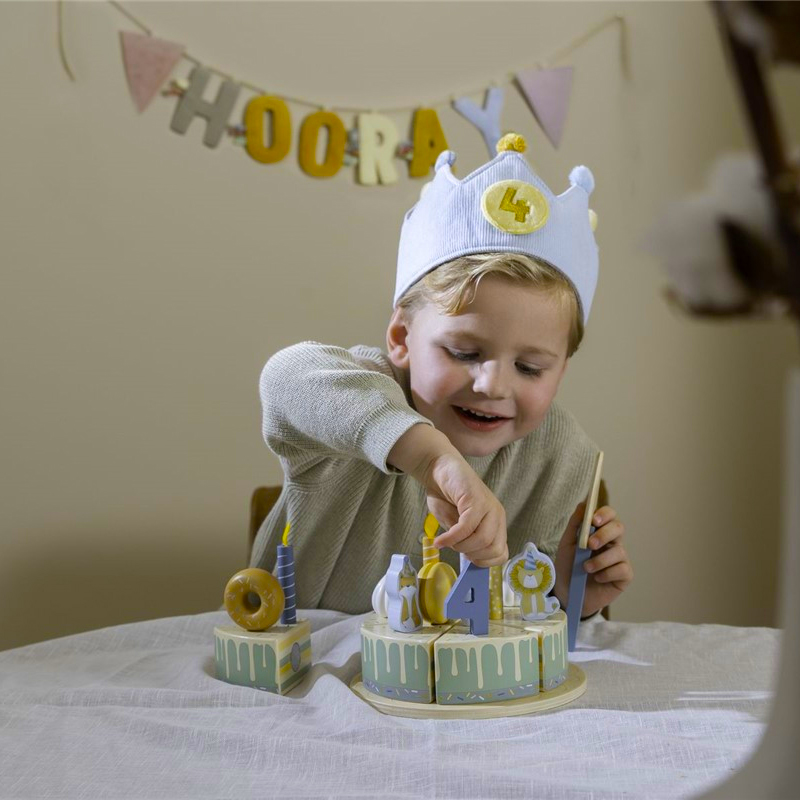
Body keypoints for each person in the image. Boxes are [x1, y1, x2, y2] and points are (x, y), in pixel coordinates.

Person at [250, 133, 633, 620]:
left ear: (562, 368)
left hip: (465, 694)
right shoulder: (364, 392)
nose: (492, 385)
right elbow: (285, 377)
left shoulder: (563, 454)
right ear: (401, 338)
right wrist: (430, 460)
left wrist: (571, 598)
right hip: (306, 680)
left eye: (530, 367)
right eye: (464, 351)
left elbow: (517, 619)